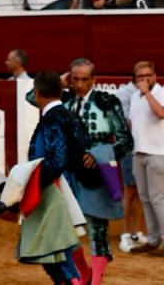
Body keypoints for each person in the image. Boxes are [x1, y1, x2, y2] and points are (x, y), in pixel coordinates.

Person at [54, 58, 134, 282]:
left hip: (95, 171)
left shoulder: (107, 102)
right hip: (67, 172)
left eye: (84, 79)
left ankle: (96, 280)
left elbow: (125, 141)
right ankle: (82, 274)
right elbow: (33, 98)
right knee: (65, 227)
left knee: (97, 229)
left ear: (94, 80)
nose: (79, 84)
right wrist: (60, 82)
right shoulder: (63, 98)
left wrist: (97, 154)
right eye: (75, 79)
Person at [21, 70, 89, 284]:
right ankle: (82, 276)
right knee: (65, 237)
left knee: (53, 245)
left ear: (39, 92)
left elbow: (56, 161)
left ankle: (73, 279)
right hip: (71, 182)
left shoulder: (52, 118)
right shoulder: (72, 115)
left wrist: (32, 185)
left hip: (56, 186)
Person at [127, 60, 164, 255]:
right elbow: (133, 124)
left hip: (159, 153)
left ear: (154, 76)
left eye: (147, 76)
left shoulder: (161, 92)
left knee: (158, 199)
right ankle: (153, 239)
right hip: (138, 152)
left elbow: (160, 113)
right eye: (140, 77)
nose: (144, 80)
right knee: (146, 199)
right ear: (135, 80)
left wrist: (147, 92)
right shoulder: (134, 96)